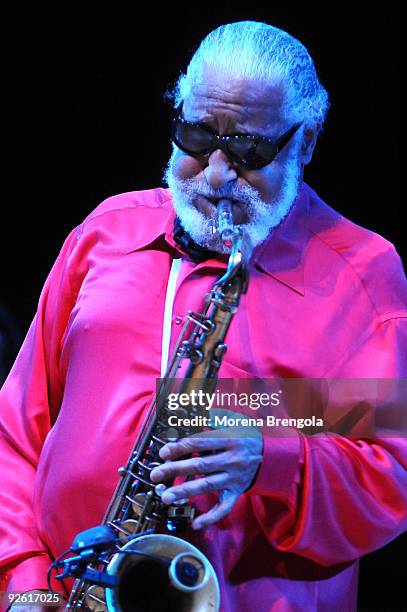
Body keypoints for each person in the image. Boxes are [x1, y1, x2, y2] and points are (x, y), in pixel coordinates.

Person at [1, 20, 406, 612]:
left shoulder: (364, 273)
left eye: (248, 151)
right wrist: (25, 580)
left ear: (307, 141)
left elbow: (390, 472)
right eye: (195, 138)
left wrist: (269, 457)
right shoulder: (106, 231)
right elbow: (17, 431)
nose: (216, 175)